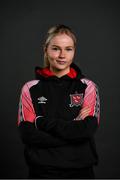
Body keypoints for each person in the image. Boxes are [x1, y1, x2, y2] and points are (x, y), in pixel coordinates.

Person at [17, 24, 100, 179]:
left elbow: (87, 130)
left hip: (80, 170)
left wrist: (41, 122)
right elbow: (27, 135)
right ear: (46, 50)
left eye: (68, 49)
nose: (62, 55)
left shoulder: (88, 87)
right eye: (56, 48)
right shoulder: (30, 88)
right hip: (42, 171)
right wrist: (72, 131)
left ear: (74, 51)